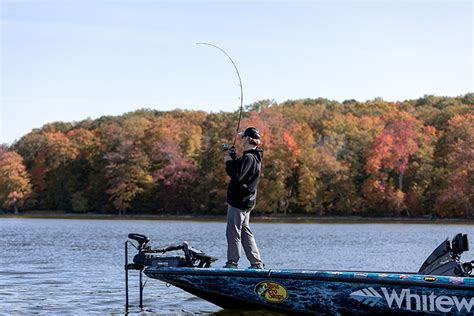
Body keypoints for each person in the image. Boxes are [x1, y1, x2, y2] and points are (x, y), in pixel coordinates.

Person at [223, 126, 264, 269]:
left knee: (233, 231)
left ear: (247, 139)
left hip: (238, 202)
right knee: (245, 231)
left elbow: (237, 176)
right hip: (246, 202)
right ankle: (256, 263)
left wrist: (228, 162)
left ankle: (232, 263)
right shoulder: (253, 157)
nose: (241, 140)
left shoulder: (248, 157)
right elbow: (241, 171)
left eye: (242, 137)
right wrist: (234, 157)